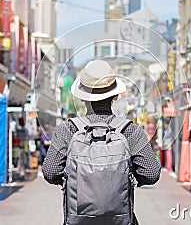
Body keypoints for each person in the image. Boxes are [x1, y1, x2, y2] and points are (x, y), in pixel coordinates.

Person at [42, 60, 161, 224]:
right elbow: (151, 174)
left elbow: (50, 172)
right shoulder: (131, 131)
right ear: (116, 96)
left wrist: (73, 178)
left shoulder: (67, 130)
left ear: (82, 97)